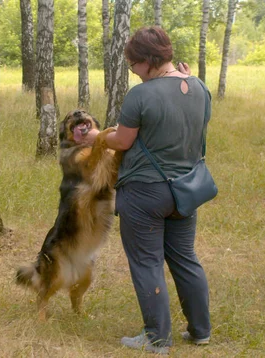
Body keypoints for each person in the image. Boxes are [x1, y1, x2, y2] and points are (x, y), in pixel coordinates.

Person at [82, 26, 212, 354]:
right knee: (185, 259)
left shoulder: (141, 94)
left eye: (133, 66)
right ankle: (200, 331)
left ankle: (157, 339)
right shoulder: (199, 87)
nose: (134, 72)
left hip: (144, 193)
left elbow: (122, 141)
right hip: (185, 189)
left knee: (146, 262)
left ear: (147, 61)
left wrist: (97, 136)